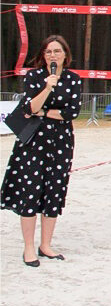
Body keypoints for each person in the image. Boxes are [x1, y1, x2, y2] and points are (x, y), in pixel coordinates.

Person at [1, 35, 82, 267]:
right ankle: (29, 247)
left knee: (53, 192)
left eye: (57, 51)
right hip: (33, 142)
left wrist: (44, 112)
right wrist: (48, 87)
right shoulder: (34, 77)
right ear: (43, 55)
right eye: (48, 52)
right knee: (30, 192)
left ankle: (46, 244)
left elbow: (71, 112)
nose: (53, 55)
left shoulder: (73, 79)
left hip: (61, 142)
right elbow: (29, 107)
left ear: (65, 55)